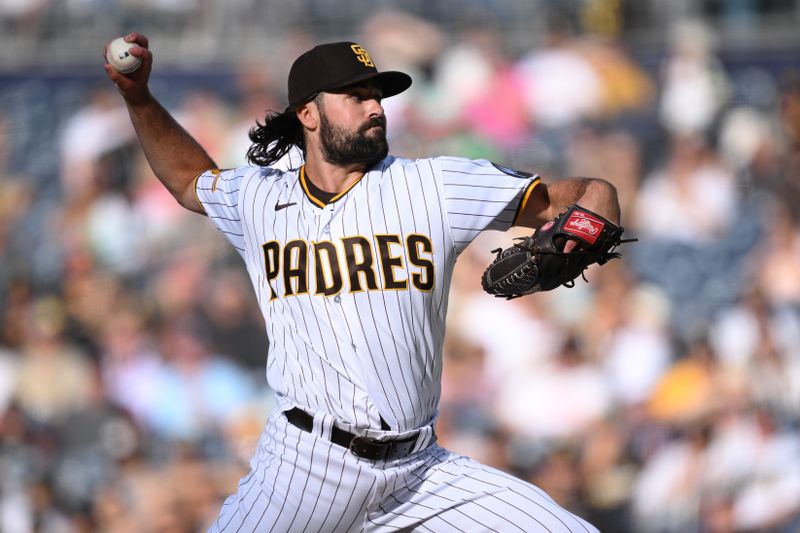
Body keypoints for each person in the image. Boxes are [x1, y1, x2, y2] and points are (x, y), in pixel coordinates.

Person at [104, 32, 621, 533]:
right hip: (305, 468)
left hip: (420, 473)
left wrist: (596, 205)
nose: (376, 107)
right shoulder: (259, 198)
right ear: (308, 113)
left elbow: (580, 195)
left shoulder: (434, 186)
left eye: (378, 96)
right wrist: (140, 98)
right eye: (356, 96)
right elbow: (189, 180)